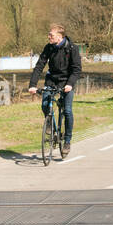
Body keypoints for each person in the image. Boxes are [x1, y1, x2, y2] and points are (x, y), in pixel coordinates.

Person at [26, 24, 82, 154]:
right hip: (52, 80)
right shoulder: (49, 47)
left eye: (51, 35)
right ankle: (50, 124)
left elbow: (77, 69)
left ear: (59, 36)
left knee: (67, 111)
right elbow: (39, 66)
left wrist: (70, 84)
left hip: (67, 82)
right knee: (45, 103)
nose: (48, 37)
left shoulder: (72, 48)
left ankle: (67, 141)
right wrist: (32, 85)